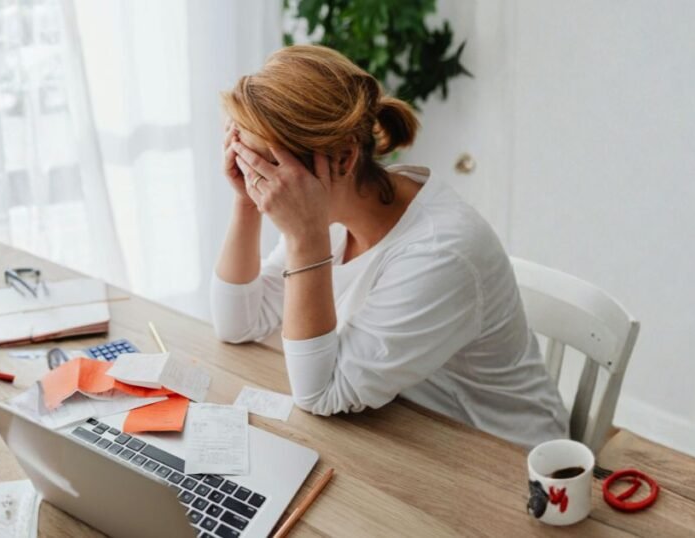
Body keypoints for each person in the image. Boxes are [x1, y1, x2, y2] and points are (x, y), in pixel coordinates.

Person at [210, 45, 568, 448]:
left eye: (264, 165)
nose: (261, 183)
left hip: (497, 455)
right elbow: (238, 324)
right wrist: (245, 202)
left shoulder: (440, 251)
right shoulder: (329, 208)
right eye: (245, 161)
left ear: (343, 159)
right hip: (402, 424)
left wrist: (303, 239)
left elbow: (319, 394)